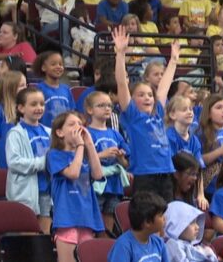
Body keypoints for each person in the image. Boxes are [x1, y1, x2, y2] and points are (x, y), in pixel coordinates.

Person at [113, 26, 179, 201]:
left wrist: (173, 61)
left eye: (150, 94)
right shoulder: (133, 116)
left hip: (166, 173)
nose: (147, 98)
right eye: (141, 95)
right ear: (132, 100)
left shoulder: (157, 114)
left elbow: (164, 87)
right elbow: (121, 83)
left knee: (165, 219)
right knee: (147, 219)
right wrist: (120, 54)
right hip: (145, 176)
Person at [47, 111, 104, 262]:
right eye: (72, 124)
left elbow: (98, 174)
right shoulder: (55, 154)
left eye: (80, 124)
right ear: (59, 132)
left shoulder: (84, 155)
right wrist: (80, 145)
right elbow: (73, 173)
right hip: (67, 219)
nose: (78, 128)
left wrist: (89, 143)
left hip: (86, 218)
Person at [5, 86, 52, 234]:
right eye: (33, 104)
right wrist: (44, 162)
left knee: (45, 235)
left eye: (42, 104)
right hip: (25, 192)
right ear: (21, 108)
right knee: (28, 236)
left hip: (46, 190)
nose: (39, 108)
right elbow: (14, 162)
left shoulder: (49, 132)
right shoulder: (15, 133)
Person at [85, 91, 130, 234]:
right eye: (101, 105)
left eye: (109, 106)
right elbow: (83, 160)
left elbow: (125, 163)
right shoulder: (87, 133)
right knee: (95, 217)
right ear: (90, 110)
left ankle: (106, 242)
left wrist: (120, 156)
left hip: (114, 184)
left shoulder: (115, 133)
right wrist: (102, 155)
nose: (107, 109)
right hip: (97, 184)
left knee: (110, 216)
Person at [108, 191, 169, 262]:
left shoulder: (159, 242)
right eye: (161, 215)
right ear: (147, 222)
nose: (164, 218)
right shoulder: (123, 246)